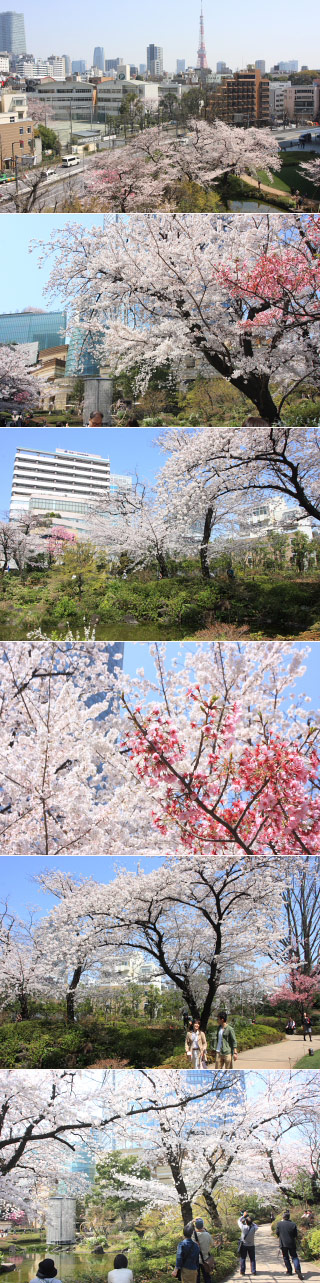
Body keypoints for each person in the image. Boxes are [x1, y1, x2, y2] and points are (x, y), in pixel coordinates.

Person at [276, 1212, 304, 1279]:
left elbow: (277, 1233)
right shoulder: (293, 1224)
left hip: (283, 1243)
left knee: (286, 1257)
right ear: (289, 1217)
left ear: (283, 1217)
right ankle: (298, 1269)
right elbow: (295, 1235)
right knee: (294, 1257)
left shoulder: (279, 1224)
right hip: (291, 1242)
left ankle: (289, 1271)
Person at [192, 1217, 214, 1282]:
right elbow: (212, 1244)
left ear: (195, 1226)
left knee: (197, 1278)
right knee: (207, 1277)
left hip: (196, 1260)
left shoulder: (193, 1235)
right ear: (203, 1226)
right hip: (206, 1260)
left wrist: (191, 1222)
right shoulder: (207, 1234)